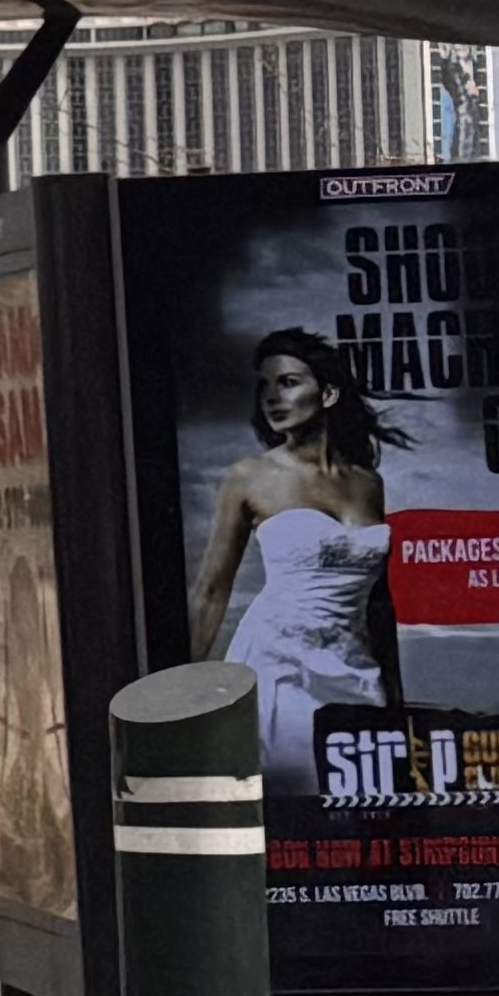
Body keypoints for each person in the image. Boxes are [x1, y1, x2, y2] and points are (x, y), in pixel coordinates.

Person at [188, 325, 402, 774]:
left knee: (362, 800)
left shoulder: (367, 483)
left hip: (355, 669)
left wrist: (394, 697)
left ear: (326, 394)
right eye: (264, 386)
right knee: (298, 796)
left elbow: (379, 601)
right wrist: (173, 700)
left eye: (287, 382)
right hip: (277, 664)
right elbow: (209, 592)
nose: (272, 397)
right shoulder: (249, 477)